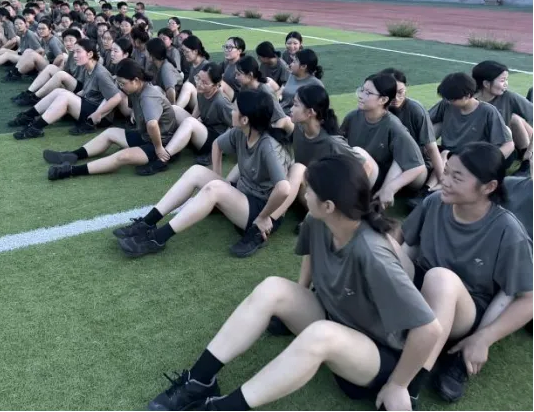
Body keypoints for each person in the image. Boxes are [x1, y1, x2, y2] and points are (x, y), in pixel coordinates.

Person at [143, 154, 441, 412]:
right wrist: (298, 299)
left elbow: (429, 329)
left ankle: (224, 407)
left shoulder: (373, 252)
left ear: (329, 205)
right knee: (273, 288)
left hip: (377, 357)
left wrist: (399, 385)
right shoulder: (317, 221)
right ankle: (198, 381)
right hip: (339, 320)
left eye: (309, 189)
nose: (303, 192)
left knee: (321, 335)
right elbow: (312, 255)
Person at [400, 142, 533, 403]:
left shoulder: (508, 231)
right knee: (381, 245)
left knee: (441, 279)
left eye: (456, 177)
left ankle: (411, 389)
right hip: (421, 287)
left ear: (488, 187)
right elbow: (403, 244)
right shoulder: (434, 202)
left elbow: (528, 299)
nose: (445, 180)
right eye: (447, 171)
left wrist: (483, 338)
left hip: (463, 308)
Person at [114, 89, 292, 258]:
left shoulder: (268, 146)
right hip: (243, 196)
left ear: (245, 119)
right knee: (196, 171)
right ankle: (147, 222)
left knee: (214, 188)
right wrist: (219, 177)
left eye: (235, 109)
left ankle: (158, 238)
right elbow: (216, 146)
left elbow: (284, 188)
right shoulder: (240, 133)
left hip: (260, 212)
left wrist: (263, 217)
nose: (232, 111)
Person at [42, 59, 178, 179]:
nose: (121, 86)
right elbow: (123, 101)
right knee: (110, 133)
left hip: (161, 144)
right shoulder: (135, 89)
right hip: (146, 136)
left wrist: (159, 148)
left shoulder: (148, 96)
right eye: (119, 83)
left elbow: (152, 125)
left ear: (136, 80)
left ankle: (71, 171)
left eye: (123, 83)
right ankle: (72, 155)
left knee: (122, 156)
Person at [271, 85, 379, 229]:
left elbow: (366, 166)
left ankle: (271, 220)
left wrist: (344, 197)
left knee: (298, 168)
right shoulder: (299, 128)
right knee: (295, 168)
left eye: (295, 104)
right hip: (307, 190)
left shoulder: (332, 142)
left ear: (310, 112)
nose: (291, 108)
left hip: (324, 197)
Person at [341, 72, 426, 209]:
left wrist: (390, 188)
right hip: (360, 171)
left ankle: (354, 202)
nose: (361, 95)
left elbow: (417, 166)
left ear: (383, 100)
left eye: (368, 93)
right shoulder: (352, 117)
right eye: (362, 90)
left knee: (359, 153)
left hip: (380, 178)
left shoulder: (394, 126)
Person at [9, 39, 121, 139]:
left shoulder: (101, 73)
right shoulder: (88, 68)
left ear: (90, 54)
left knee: (65, 96)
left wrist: (98, 114)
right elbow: (90, 90)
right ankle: (28, 116)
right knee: (59, 92)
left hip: (100, 117)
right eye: (74, 52)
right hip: (90, 105)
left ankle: (35, 128)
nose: (75, 55)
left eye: (78, 52)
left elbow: (116, 97)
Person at [136, 62, 233, 176]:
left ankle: (162, 159)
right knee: (174, 109)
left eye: (204, 82)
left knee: (189, 122)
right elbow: (199, 107)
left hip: (213, 141)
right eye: (198, 78)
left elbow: (235, 126)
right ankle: (167, 140)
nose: (199, 83)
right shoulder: (202, 92)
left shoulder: (221, 102)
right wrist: (192, 123)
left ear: (216, 85)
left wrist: (219, 149)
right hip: (204, 131)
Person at [429, 72, 514, 166]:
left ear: (467, 96)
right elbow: (426, 121)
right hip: (448, 152)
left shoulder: (487, 111)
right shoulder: (446, 104)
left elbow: (508, 145)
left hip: (472, 157)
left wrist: (488, 164)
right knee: (434, 126)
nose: (449, 101)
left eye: (453, 99)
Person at [382, 68, 444, 190]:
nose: (396, 97)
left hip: (414, 167)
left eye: (400, 92)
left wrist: (442, 181)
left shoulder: (415, 110)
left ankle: (383, 194)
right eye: (390, 92)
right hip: (385, 165)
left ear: (406, 88)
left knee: (403, 153)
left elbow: (432, 148)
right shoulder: (376, 109)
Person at [472, 61, 532, 173]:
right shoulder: (467, 100)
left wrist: (529, 152)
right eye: (502, 80)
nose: (506, 84)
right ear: (486, 84)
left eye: (506, 80)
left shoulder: (509, 97)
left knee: (514, 119)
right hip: (475, 150)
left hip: (504, 150)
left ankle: (526, 162)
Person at [234, 55, 293, 134]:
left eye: (238, 74)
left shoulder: (265, 92)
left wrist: (267, 137)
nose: (236, 77)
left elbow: (281, 118)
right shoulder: (245, 88)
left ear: (250, 75)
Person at [280, 48, 324, 114]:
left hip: (295, 117)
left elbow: (320, 109)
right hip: (282, 113)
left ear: (303, 66)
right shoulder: (292, 76)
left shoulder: (315, 84)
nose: (291, 64)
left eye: (294, 62)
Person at [176, 36, 210, 111]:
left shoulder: (206, 66)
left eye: (187, 51)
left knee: (188, 86)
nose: (184, 54)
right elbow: (190, 79)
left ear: (195, 51)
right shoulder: (194, 64)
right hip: (195, 101)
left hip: (203, 105)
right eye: (183, 51)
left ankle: (174, 111)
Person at [146, 37, 182, 104]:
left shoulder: (166, 67)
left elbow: (171, 90)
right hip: (164, 98)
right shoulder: (153, 66)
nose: (146, 55)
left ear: (152, 54)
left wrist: (172, 108)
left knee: (156, 89)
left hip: (175, 101)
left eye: (147, 52)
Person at [221, 36, 246, 101]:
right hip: (227, 96)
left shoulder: (242, 66)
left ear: (239, 51)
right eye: (226, 47)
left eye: (230, 47)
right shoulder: (226, 63)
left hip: (239, 99)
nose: (226, 50)